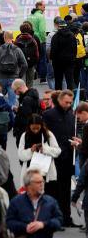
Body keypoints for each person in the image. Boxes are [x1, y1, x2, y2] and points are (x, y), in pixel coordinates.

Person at [43, 90, 77, 227]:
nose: (68, 105)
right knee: (53, 189)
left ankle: (67, 218)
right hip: (54, 158)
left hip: (68, 157)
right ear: (59, 100)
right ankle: (55, 219)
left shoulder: (70, 115)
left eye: (70, 102)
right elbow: (44, 135)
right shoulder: (48, 115)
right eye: (66, 102)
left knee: (66, 189)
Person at [17, 114, 61, 192]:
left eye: (38, 128)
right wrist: (31, 150)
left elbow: (58, 151)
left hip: (46, 173)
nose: (35, 130)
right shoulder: (24, 136)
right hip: (29, 173)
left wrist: (45, 149)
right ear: (29, 126)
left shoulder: (48, 135)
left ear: (41, 125)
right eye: (33, 128)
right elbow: (20, 155)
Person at [0, 31, 27, 107]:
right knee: (12, 102)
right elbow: (25, 65)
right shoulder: (17, 49)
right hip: (13, 78)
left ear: (4, 38)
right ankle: (11, 116)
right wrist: (19, 76)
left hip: (1, 77)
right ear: (12, 38)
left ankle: (0, 116)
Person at [49, 16, 77, 90]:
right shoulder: (72, 36)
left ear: (59, 27)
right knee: (69, 81)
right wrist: (73, 58)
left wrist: (52, 59)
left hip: (58, 62)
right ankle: (70, 98)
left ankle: (58, 98)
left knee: (58, 81)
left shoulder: (55, 37)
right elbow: (75, 49)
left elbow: (53, 50)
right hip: (69, 61)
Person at [12, 79, 41, 144]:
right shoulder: (33, 96)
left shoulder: (26, 99)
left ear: (19, 88)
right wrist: (19, 109)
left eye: (15, 91)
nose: (15, 93)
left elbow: (26, 116)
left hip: (25, 132)